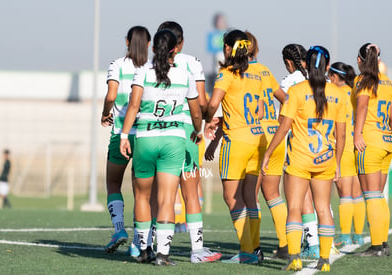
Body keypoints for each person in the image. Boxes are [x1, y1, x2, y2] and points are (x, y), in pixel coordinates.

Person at [120, 29, 203, 266]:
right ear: (175, 49)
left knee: (142, 197)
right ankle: (163, 255)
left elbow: (134, 106)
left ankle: (144, 249)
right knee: (167, 198)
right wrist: (197, 131)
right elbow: (196, 112)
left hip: (145, 138)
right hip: (173, 140)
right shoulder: (185, 75)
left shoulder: (142, 72)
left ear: (153, 48)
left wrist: (125, 135)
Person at [261, 46, 346, 272]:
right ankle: (325, 260)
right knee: (323, 209)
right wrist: (337, 162)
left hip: (298, 159)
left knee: (295, 209)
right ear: (328, 67)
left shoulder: (297, 91)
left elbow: (283, 127)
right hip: (325, 160)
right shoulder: (338, 93)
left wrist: (268, 153)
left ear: (306, 65)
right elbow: (342, 134)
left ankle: (295, 258)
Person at [204, 29, 267, 264]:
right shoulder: (255, 75)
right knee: (250, 196)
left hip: (237, 142)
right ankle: (254, 249)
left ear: (229, 48)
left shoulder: (226, 73)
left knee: (231, 197)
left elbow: (213, 104)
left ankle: (247, 252)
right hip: (257, 138)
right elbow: (259, 110)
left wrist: (208, 118)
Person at [100, 26, 151, 253]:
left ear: (127, 42)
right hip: (146, 136)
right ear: (149, 44)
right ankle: (140, 242)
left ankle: (119, 229)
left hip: (121, 134)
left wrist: (105, 112)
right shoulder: (154, 67)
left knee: (113, 183)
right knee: (142, 192)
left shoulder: (117, 65)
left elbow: (111, 96)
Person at [259, 43, 308, 260]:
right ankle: (320, 245)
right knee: (321, 199)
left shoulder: (288, 82)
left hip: (296, 144)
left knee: (288, 198)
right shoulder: (320, 79)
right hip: (324, 144)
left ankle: (288, 245)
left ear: (288, 62)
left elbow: (283, 117)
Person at [240, 31, 286, 261]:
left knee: (251, 195)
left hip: (258, 137)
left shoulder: (242, 72)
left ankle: (254, 248)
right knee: (274, 194)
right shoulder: (266, 70)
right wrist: (280, 120)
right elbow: (286, 99)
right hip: (277, 136)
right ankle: (286, 243)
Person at [353, 43, 392, 256]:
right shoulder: (388, 82)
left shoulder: (362, 80)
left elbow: (362, 106)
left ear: (361, 60)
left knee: (371, 196)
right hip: (386, 142)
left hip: (369, 142)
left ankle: (377, 246)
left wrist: (357, 134)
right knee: (378, 196)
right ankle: (383, 243)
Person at [328, 62, 366, 248]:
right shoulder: (354, 91)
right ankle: (358, 235)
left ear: (335, 77)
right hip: (358, 144)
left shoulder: (337, 94)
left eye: (329, 77)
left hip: (343, 145)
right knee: (357, 193)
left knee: (344, 193)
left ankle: (344, 235)